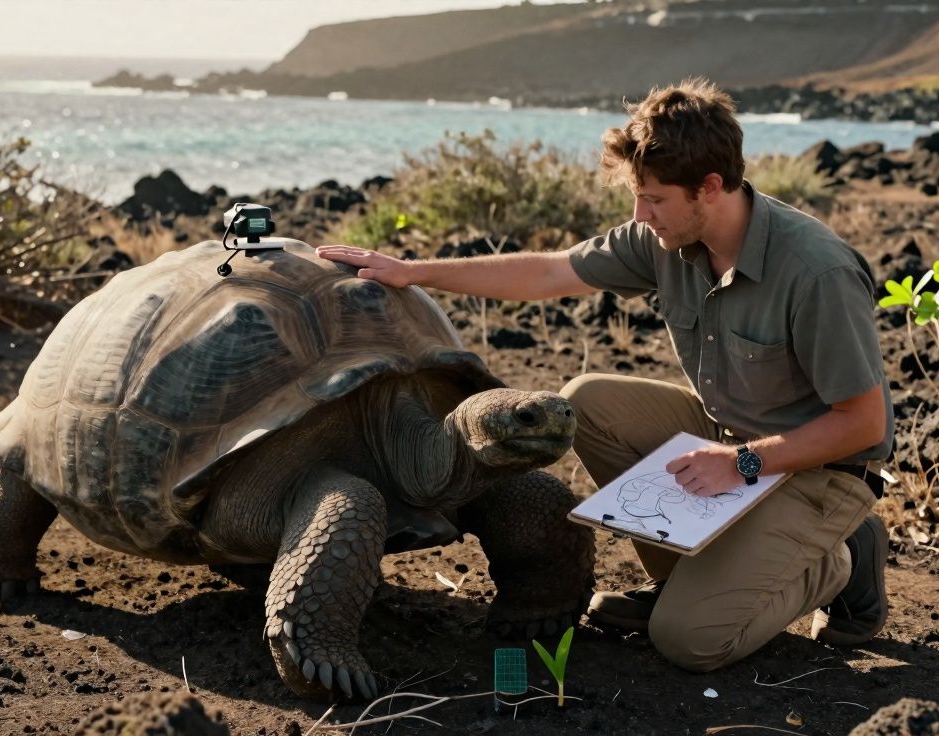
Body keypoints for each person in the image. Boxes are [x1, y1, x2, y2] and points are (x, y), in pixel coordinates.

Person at [315, 77, 893, 673]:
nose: (641, 215)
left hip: (821, 469)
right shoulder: (665, 233)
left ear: (710, 187)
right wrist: (412, 272)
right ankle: (693, 577)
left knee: (689, 640)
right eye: (638, 197)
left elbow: (862, 425)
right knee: (586, 401)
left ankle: (838, 561)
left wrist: (741, 463)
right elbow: (549, 273)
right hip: (725, 441)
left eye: (655, 199)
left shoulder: (816, 272)